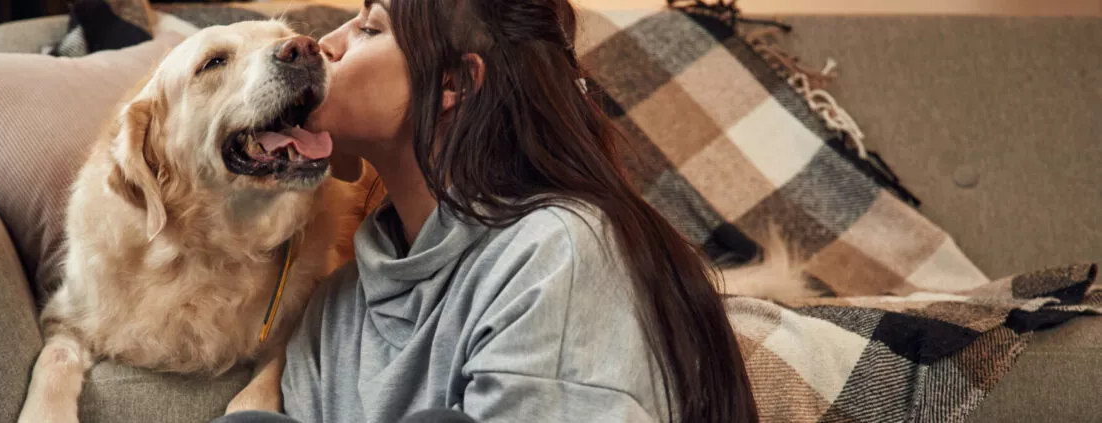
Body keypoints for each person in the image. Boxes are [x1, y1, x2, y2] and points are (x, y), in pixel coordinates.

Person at [224, 0, 758, 421]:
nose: (325, 44)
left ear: (455, 83)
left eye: (370, 29)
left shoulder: (557, 252)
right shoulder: (340, 301)